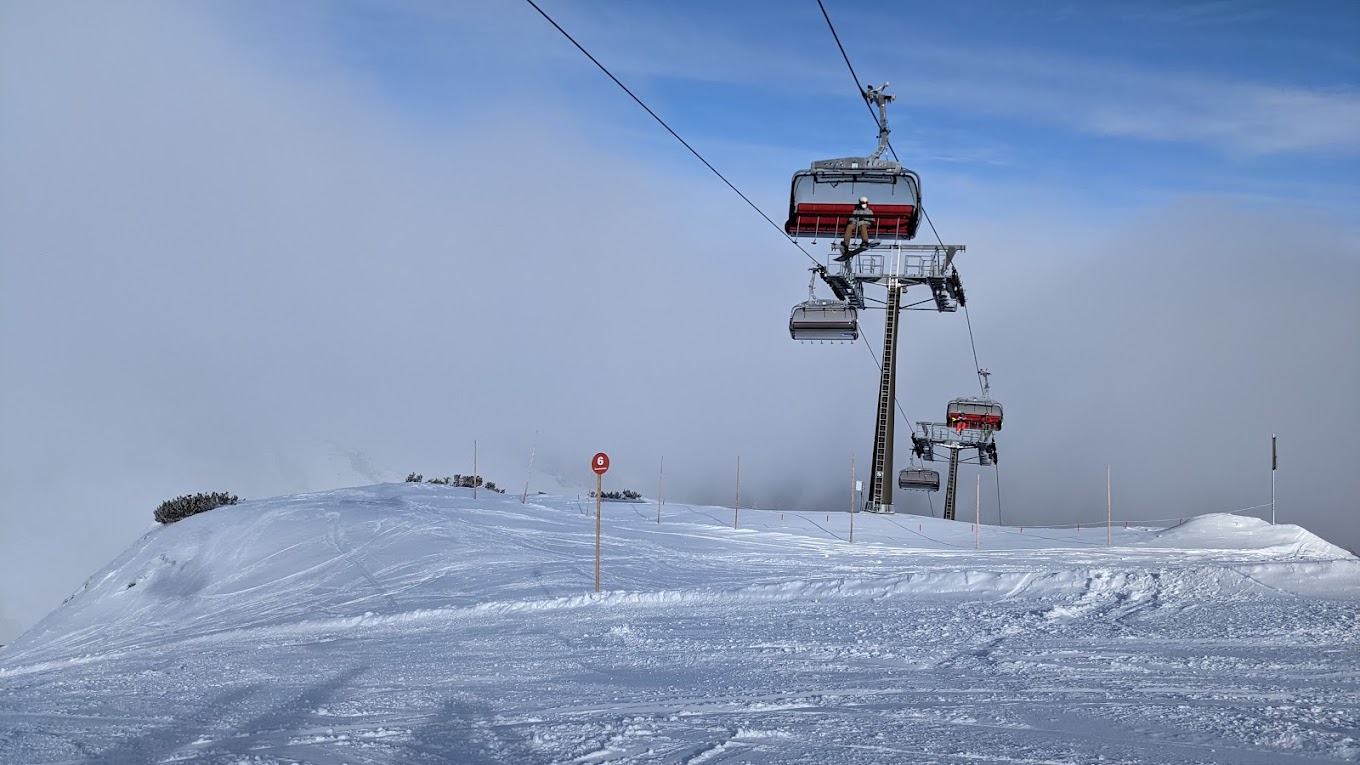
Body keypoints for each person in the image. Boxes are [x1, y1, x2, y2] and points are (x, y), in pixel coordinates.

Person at [836, 197, 875, 261]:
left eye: (865, 203)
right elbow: (852, 219)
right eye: (862, 203)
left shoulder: (869, 211)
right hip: (857, 224)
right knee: (849, 226)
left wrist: (864, 220)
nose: (864, 204)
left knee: (863, 227)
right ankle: (846, 243)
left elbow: (872, 220)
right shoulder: (856, 211)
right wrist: (854, 222)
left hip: (865, 224)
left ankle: (865, 241)